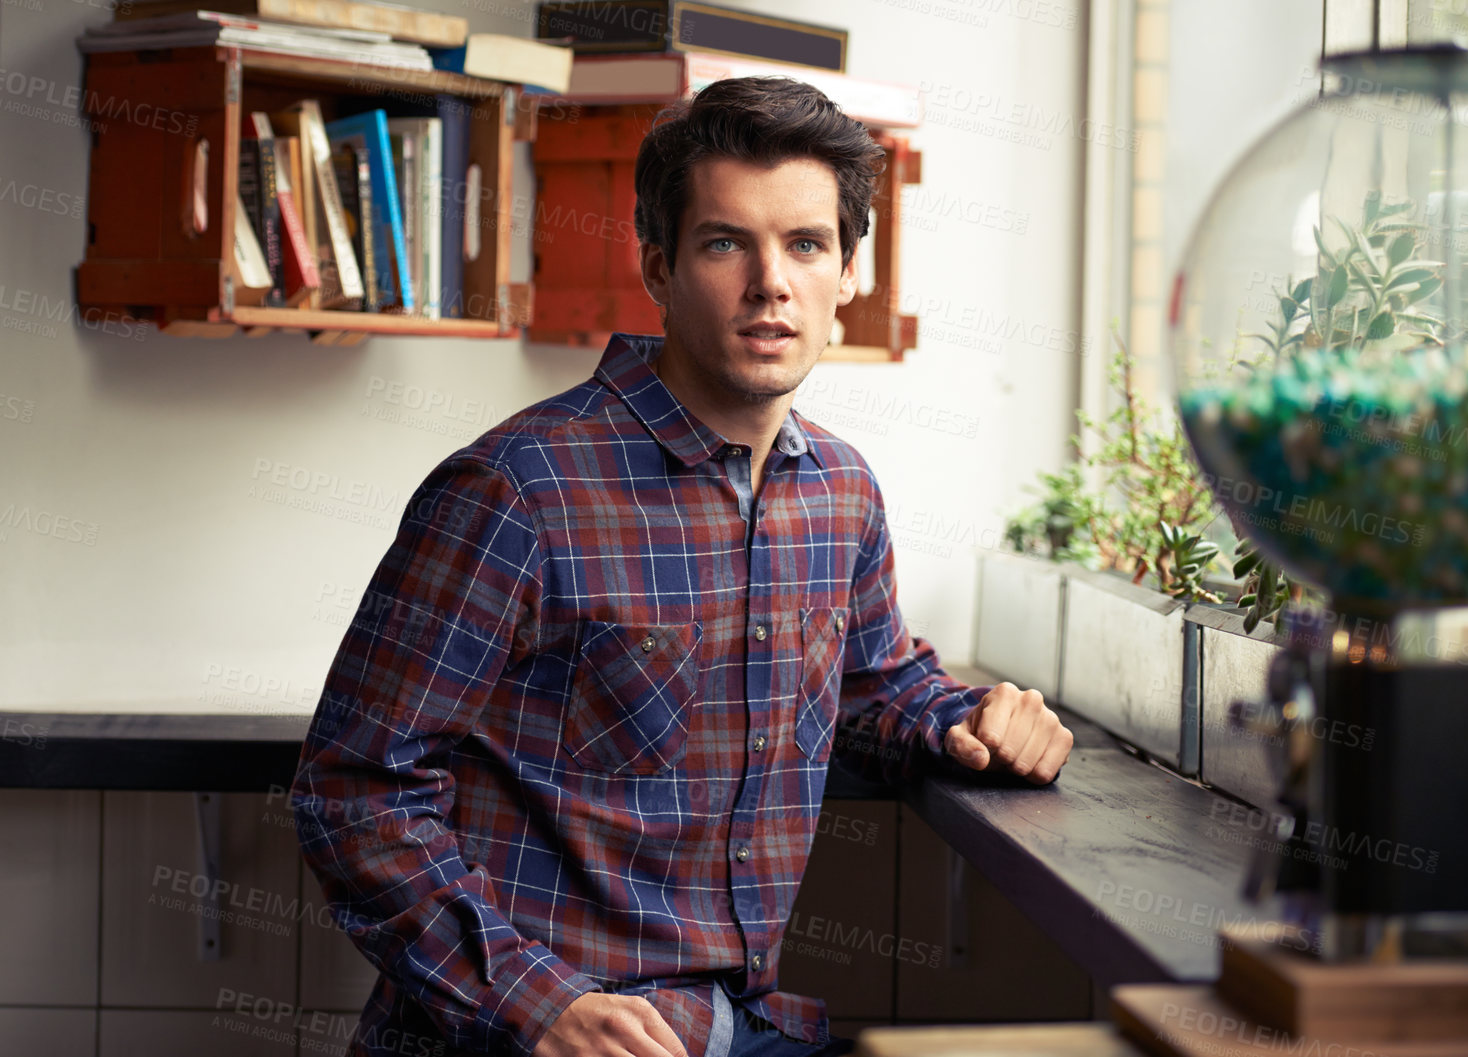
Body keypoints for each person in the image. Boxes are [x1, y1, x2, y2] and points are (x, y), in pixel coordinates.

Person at [290, 76, 1075, 1057]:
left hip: (741, 1024)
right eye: (723, 243)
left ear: (849, 273)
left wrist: (973, 722)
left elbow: (871, 683)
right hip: (526, 1036)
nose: (770, 282)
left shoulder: (840, 493)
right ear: (658, 267)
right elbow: (353, 789)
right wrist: (540, 1001)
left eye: (804, 244)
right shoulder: (517, 491)